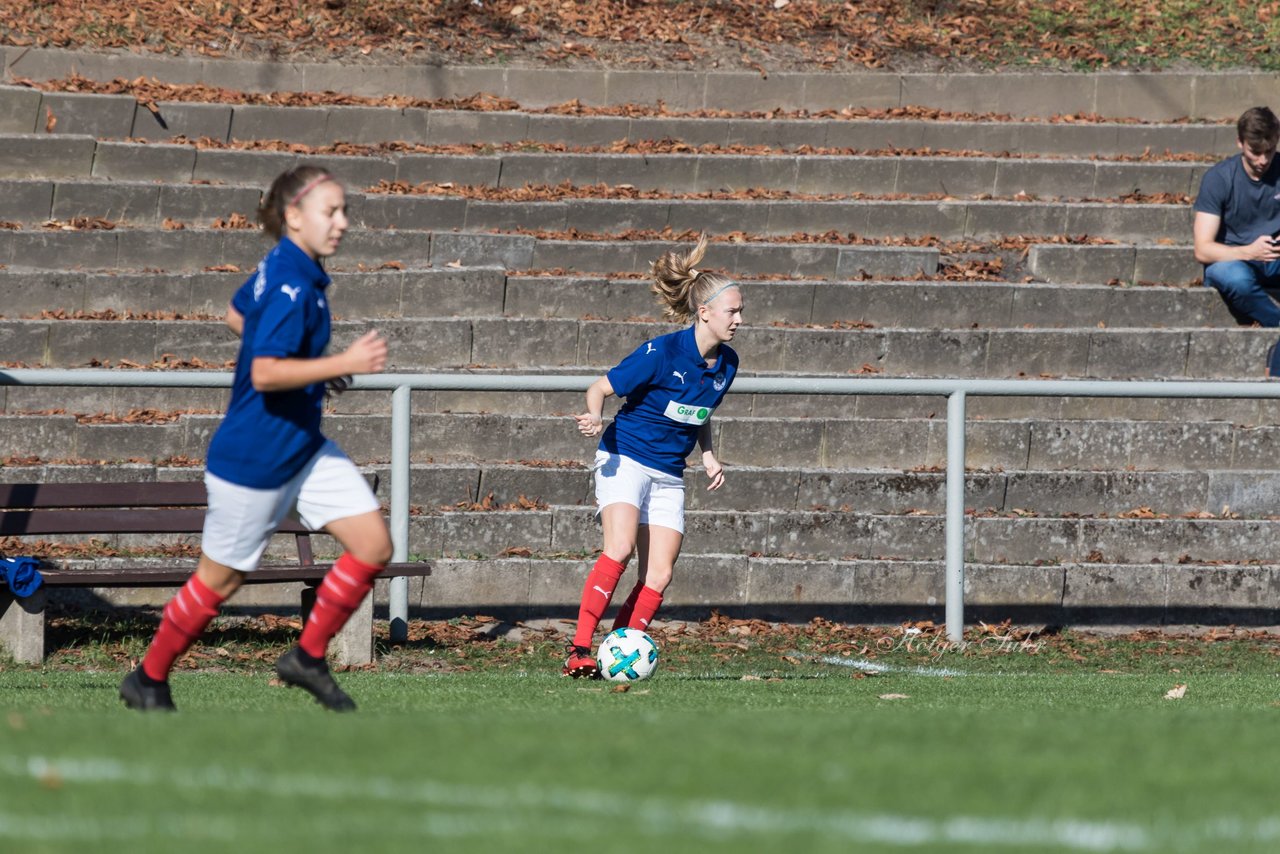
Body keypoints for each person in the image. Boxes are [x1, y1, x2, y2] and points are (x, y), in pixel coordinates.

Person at [119, 165, 391, 712]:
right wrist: (340, 361)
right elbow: (265, 373)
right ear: (294, 217)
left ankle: (307, 657)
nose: (341, 223)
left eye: (344, 212)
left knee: (373, 545)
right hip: (255, 459)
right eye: (330, 212)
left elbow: (236, 312)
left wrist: (313, 365)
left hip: (303, 448)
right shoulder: (292, 284)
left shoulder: (289, 266)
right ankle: (147, 678)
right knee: (220, 583)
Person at [564, 234, 743, 678]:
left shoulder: (728, 363)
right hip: (625, 457)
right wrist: (593, 417)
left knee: (658, 576)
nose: (739, 319)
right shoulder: (661, 352)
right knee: (620, 547)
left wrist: (709, 454)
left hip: (668, 473)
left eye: (741, 311)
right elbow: (599, 388)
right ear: (704, 313)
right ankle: (579, 648)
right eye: (732, 311)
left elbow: (697, 411)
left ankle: (619, 651)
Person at [1191, 106, 1280, 374]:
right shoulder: (1219, 179)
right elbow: (1203, 249)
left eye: (1270, 151)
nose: (1263, 160)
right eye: (1255, 152)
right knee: (1232, 276)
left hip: (1274, 259)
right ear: (1240, 143)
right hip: (1233, 259)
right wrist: (1248, 252)